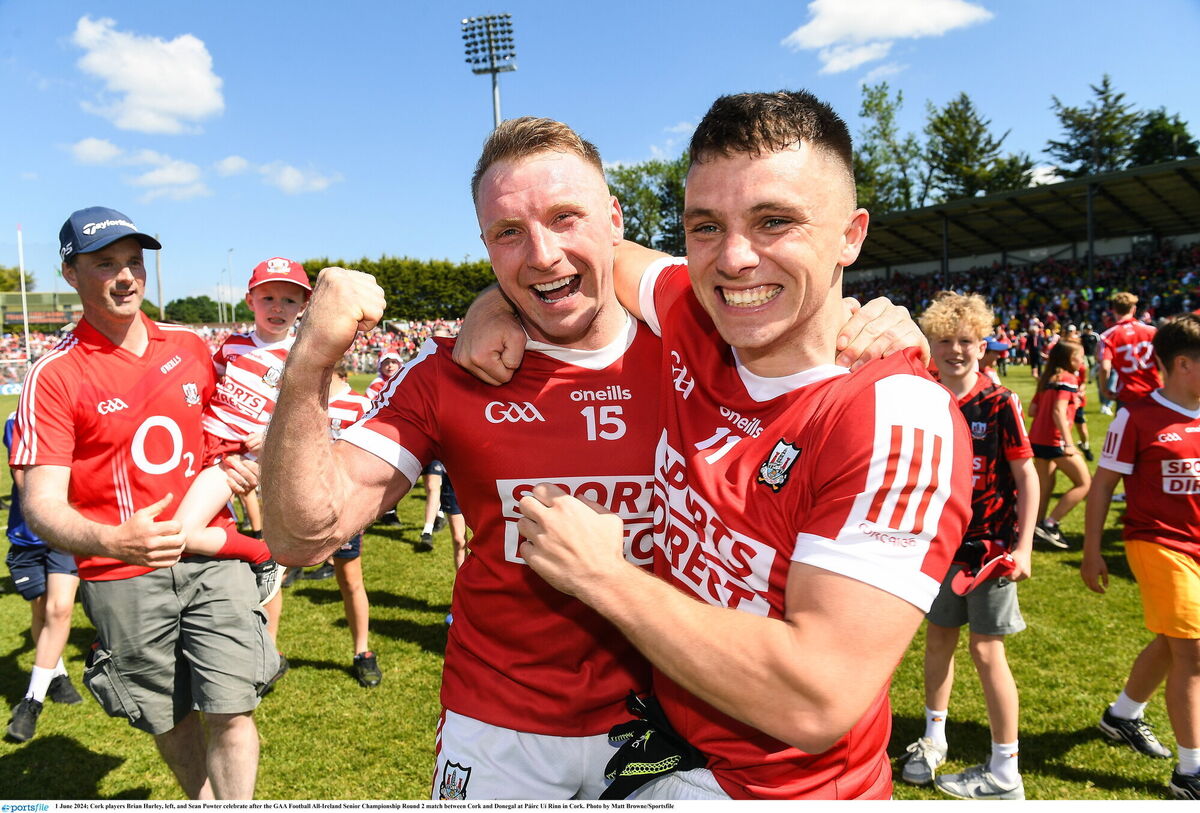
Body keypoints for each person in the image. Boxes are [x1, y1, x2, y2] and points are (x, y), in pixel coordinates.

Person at [261, 116, 922, 800]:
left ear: (615, 220)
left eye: (565, 216)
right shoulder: (449, 370)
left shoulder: (706, 340)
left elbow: (803, 331)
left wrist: (882, 326)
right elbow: (300, 534)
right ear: (485, 246)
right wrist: (308, 361)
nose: (542, 254)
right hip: (498, 728)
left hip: (670, 731)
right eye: (508, 233)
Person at [487, 92, 973, 799]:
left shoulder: (893, 413)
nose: (735, 258)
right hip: (672, 753)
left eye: (775, 220)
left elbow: (818, 696)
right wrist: (493, 302)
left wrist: (604, 576)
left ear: (851, 234)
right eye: (705, 226)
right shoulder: (689, 305)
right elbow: (581, 258)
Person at [12, 207, 276, 799]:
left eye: (135, 262)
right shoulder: (53, 376)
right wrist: (111, 540)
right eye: (106, 263)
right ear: (70, 274)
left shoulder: (189, 346)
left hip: (212, 557)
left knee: (234, 708)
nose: (127, 275)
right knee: (169, 717)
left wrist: (247, 447)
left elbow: (226, 430)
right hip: (122, 572)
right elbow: (41, 504)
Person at [901, 293, 1037, 800]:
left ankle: (1006, 770)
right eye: (945, 341)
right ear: (931, 344)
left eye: (966, 341)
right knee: (938, 640)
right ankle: (933, 739)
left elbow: (1026, 476)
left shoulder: (1000, 402)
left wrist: (1023, 547)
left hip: (990, 550)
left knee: (986, 650)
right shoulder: (923, 394)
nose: (955, 350)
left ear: (983, 346)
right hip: (938, 548)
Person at [1081, 314, 1200, 800]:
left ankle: (1122, 715)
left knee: (1174, 642)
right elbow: (1102, 486)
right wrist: (1092, 551)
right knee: (1192, 652)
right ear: (1183, 364)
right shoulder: (1135, 415)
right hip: (1156, 542)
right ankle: (1190, 772)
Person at [5, 410, 84, 742]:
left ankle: (31, 700)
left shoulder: (80, 412)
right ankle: (58, 674)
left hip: (67, 530)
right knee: (42, 610)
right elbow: (23, 478)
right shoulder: (17, 419)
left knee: (60, 609)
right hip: (28, 534)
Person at [326, 361, 383, 687]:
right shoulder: (293, 398)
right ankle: (268, 655)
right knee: (271, 581)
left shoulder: (361, 404)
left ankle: (362, 651)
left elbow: (370, 460)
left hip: (342, 512)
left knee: (350, 581)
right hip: (292, 510)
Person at [1028, 339, 1090, 549]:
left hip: (1037, 439)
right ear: (1070, 359)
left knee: (1045, 487)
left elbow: (1032, 411)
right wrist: (1069, 443)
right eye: (1080, 357)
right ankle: (1051, 524)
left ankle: (1034, 528)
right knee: (1084, 483)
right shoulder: (1069, 378)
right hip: (1055, 441)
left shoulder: (1047, 378)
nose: (1082, 361)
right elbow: (1058, 410)